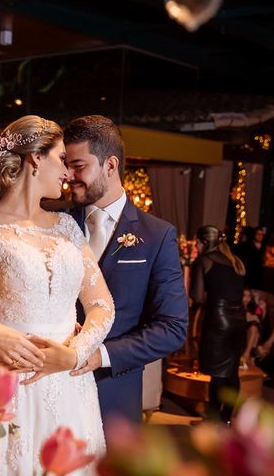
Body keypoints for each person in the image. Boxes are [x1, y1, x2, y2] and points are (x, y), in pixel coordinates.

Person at [0, 115, 113, 475]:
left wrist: (73, 355)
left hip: (72, 388)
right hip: (11, 383)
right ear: (35, 159)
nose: (68, 173)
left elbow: (102, 305)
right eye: (61, 159)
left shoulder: (67, 227)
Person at [63, 115, 188, 424]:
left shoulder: (157, 235)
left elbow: (172, 328)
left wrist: (101, 355)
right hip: (53, 389)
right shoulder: (56, 223)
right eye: (66, 165)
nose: (68, 175)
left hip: (113, 394)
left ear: (110, 165)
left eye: (79, 166)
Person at [191, 225, 247, 423]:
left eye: (197, 241)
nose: (195, 245)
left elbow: (197, 297)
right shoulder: (235, 261)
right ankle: (227, 418)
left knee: (217, 373)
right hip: (240, 318)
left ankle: (214, 421)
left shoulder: (203, 261)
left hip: (218, 319)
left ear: (205, 242)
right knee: (231, 371)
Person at [240, 288, 267, 368]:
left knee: (255, 327)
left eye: (249, 296)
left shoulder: (250, 308)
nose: (247, 299)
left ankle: (249, 356)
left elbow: (260, 317)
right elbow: (256, 318)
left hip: (250, 335)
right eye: (244, 296)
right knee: (254, 326)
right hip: (239, 333)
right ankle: (251, 354)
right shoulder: (238, 307)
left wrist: (257, 302)